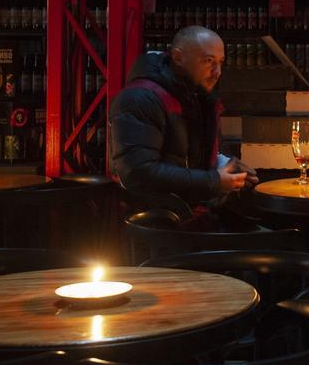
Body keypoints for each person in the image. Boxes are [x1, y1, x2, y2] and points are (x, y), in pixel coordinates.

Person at [108, 26, 258, 222]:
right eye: (208, 61)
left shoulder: (196, 96)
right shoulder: (140, 99)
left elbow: (191, 153)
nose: (218, 72)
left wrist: (226, 165)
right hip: (158, 223)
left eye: (221, 62)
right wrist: (215, 181)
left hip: (192, 214)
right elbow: (138, 173)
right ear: (178, 57)